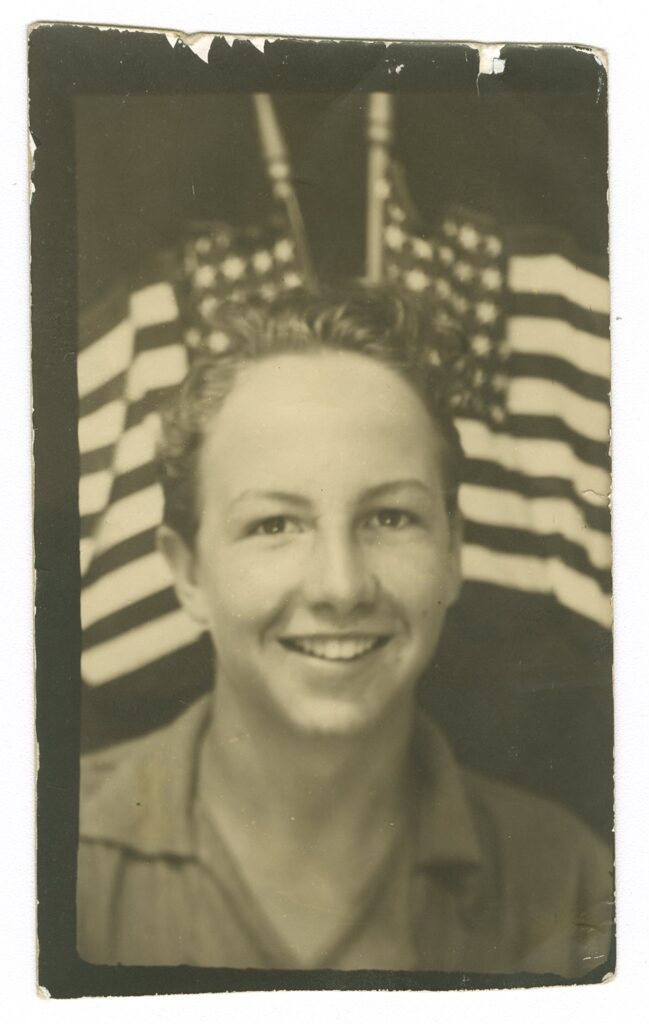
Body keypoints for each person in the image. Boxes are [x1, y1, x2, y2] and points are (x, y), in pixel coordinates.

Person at [77, 285, 613, 974]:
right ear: (187, 575)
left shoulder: (575, 889)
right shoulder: (50, 862)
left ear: (452, 554)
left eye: (390, 518)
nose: (341, 587)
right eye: (274, 524)